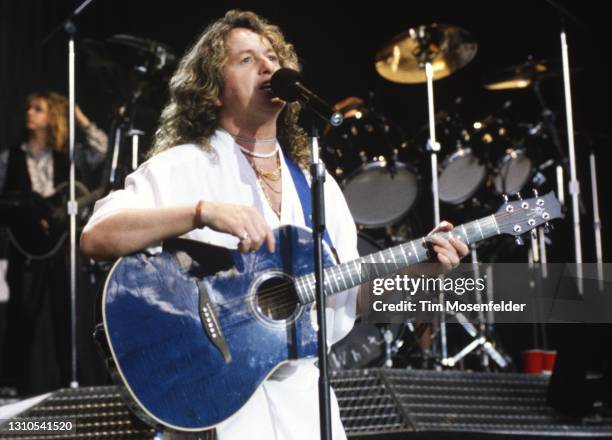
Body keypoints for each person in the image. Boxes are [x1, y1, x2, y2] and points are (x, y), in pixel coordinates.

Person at [79, 10, 468, 439]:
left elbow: (349, 294)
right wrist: (200, 212)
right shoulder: (181, 167)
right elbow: (98, 236)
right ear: (213, 91)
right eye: (246, 60)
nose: (267, 66)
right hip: (210, 408)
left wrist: (420, 274)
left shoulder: (316, 183)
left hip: (306, 412)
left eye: (271, 56)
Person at [0, 90, 108, 394]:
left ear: (51, 118)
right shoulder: (11, 157)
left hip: (60, 246)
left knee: (65, 313)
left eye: (38, 109)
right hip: (25, 247)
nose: (30, 114)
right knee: (21, 315)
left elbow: (102, 150)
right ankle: (10, 385)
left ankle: (67, 382)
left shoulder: (66, 157)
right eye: (28, 108)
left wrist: (79, 116)